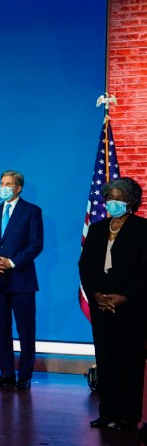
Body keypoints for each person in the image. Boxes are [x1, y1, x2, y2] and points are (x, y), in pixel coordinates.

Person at [78, 177, 147, 432]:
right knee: (107, 360)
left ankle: (128, 416)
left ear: (131, 201)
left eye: (119, 198)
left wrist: (124, 296)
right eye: (110, 198)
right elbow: (84, 265)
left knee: (130, 360)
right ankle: (107, 412)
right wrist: (96, 295)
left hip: (131, 307)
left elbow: (145, 271)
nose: (113, 202)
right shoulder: (97, 229)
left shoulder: (142, 229)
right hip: (102, 306)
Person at [0, 170, 44, 390]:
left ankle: (24, 376)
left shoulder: (32, 211)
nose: (3, 187)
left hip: (21, 280)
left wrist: (10, 263)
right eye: (2, 183)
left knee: (26, 330)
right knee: (2, 330)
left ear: (18, 187)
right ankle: (6, 374)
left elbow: (35, 244)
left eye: (8, 184)